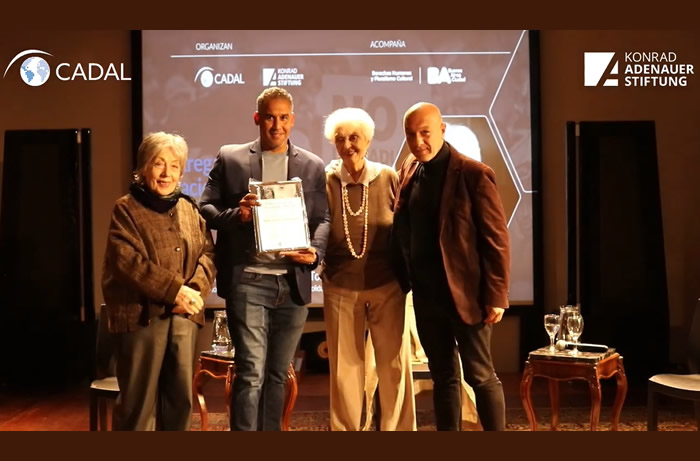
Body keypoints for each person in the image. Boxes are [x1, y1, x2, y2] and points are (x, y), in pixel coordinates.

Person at [199, 87, 330, 431]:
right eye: (269, 117)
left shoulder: (313, 166)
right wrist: (237, 216)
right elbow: (205, 208)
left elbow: (325, 219)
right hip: (249, 281)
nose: (277, 125)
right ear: (257, 118)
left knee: (277, 374)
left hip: (292, 282)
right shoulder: (231, 157)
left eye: (284, 117)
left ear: (293, 119)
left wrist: (315, 250)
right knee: (251, 371)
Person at [391, 102, 511, 431]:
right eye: (411, 135)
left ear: (442, 130)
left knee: (480, 375)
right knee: (443, 376)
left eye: (425, 133)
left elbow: (496, 240)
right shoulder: (409, 169)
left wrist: (497, 295)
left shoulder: (474, 173)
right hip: (427, 298)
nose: (418, 142)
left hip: (467, 296)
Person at [102, 132, 216, 431]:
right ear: (142, 168)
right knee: (138, 407)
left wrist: (193, 292)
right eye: (158, 164)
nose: (167, 173)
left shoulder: (189, 208)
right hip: (140, 320)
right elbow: (128, 261)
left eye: (175, 166)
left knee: (179, 403)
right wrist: (175, 291)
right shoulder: (126, 209)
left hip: (184, 319)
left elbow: (207, 254)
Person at [320, 107, 416, 431]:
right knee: (345, 370)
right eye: (340, 139)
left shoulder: (388, 176)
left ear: (369, 140)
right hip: (340, 287)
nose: (348, 145)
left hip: (387, 285)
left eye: (355, 137)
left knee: (393, 367)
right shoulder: (326, 181)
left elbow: (404, 227)